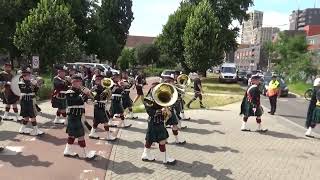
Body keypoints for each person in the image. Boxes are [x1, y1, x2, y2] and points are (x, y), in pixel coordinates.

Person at [141, 82, 176, 165]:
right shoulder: (148, 99)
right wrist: (161, 111)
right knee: (161, 140)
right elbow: (150, 112)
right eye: (156, 89)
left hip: (159, 122)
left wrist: (167, 110)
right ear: (152, 89)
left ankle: (145, 154)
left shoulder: (160, 96)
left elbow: (166, 107)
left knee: (150, 140)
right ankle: (165, 159)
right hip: (154, 122)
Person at [63, 75, 96, 160]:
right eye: (76, 81)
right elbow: (77, 100)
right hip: (73, 116)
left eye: (79, 82)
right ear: (72, 82)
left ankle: (67, 151)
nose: (78, 83)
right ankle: (85, 153)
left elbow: (89, 100)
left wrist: (90, 94)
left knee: (72, 135)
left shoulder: (80, 91)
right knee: (80, 135)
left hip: (78, 116)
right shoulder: (69, 92)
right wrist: (85, 93)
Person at [89, 74, 116, 141]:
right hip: (98, 106)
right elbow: (96, 97)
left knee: (96, 121)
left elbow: (108, 98)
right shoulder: (95, 88)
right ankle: (108, 135)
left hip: (101, 106)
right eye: (97, 79)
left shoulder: (104, 87)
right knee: (106, 121)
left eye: (100, 79)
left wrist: (109, 92)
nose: (98, 81)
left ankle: (92, 133)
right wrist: (104, 93)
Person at [18, 68, 44, 136]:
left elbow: (34, 91)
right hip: (26, 101)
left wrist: (37, 86)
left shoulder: (29, 82)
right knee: (33, 116)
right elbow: (26, 90)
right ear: (24, 76)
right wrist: (32, 84)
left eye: (29, 75)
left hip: (30, 100)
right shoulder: (21, 83)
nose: (30, 76)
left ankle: (22, 129)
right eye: (28, 75)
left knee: (26, 117)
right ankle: (35, 130)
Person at [162, 75, 186, 144]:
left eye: (172, 81)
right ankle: (165, 140)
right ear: (168, 82)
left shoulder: (173, 89)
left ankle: (177, 140)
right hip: (165, 110)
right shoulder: (163, 90)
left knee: (174, 125)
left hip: (171, 109)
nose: (173, 83)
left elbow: (181, 94)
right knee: (164, 126)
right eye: (171, 82)